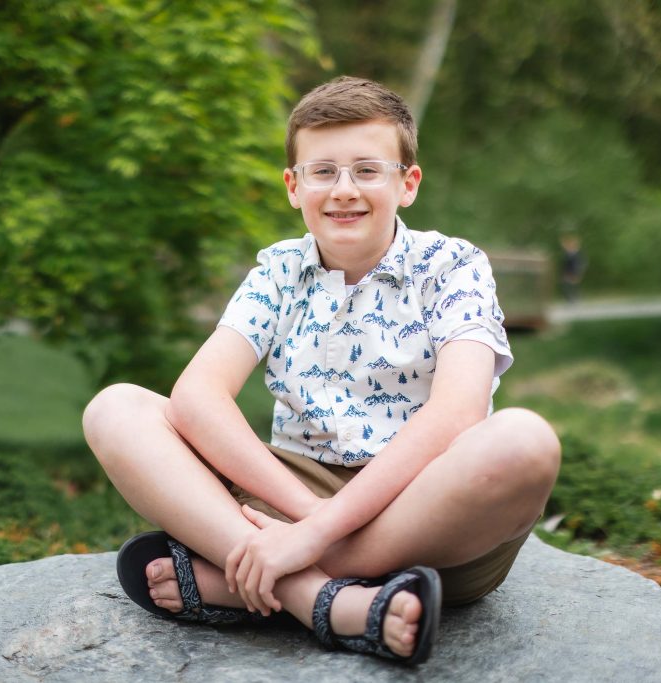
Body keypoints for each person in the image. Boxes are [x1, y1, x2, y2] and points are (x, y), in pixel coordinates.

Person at [82, 76, 560, 665]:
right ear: (293, 185)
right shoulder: (279, 271)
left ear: (406, 183)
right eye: (323, 171)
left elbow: (458, 413)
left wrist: (309, 538)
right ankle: (325, 600)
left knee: (525, 441)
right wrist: (309, 519)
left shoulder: (452, 266)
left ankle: (251, 577)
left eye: (367, 170)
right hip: (294, 492)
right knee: (117, 408)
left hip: (427, 519)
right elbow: (197, 395)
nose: (344, 191)